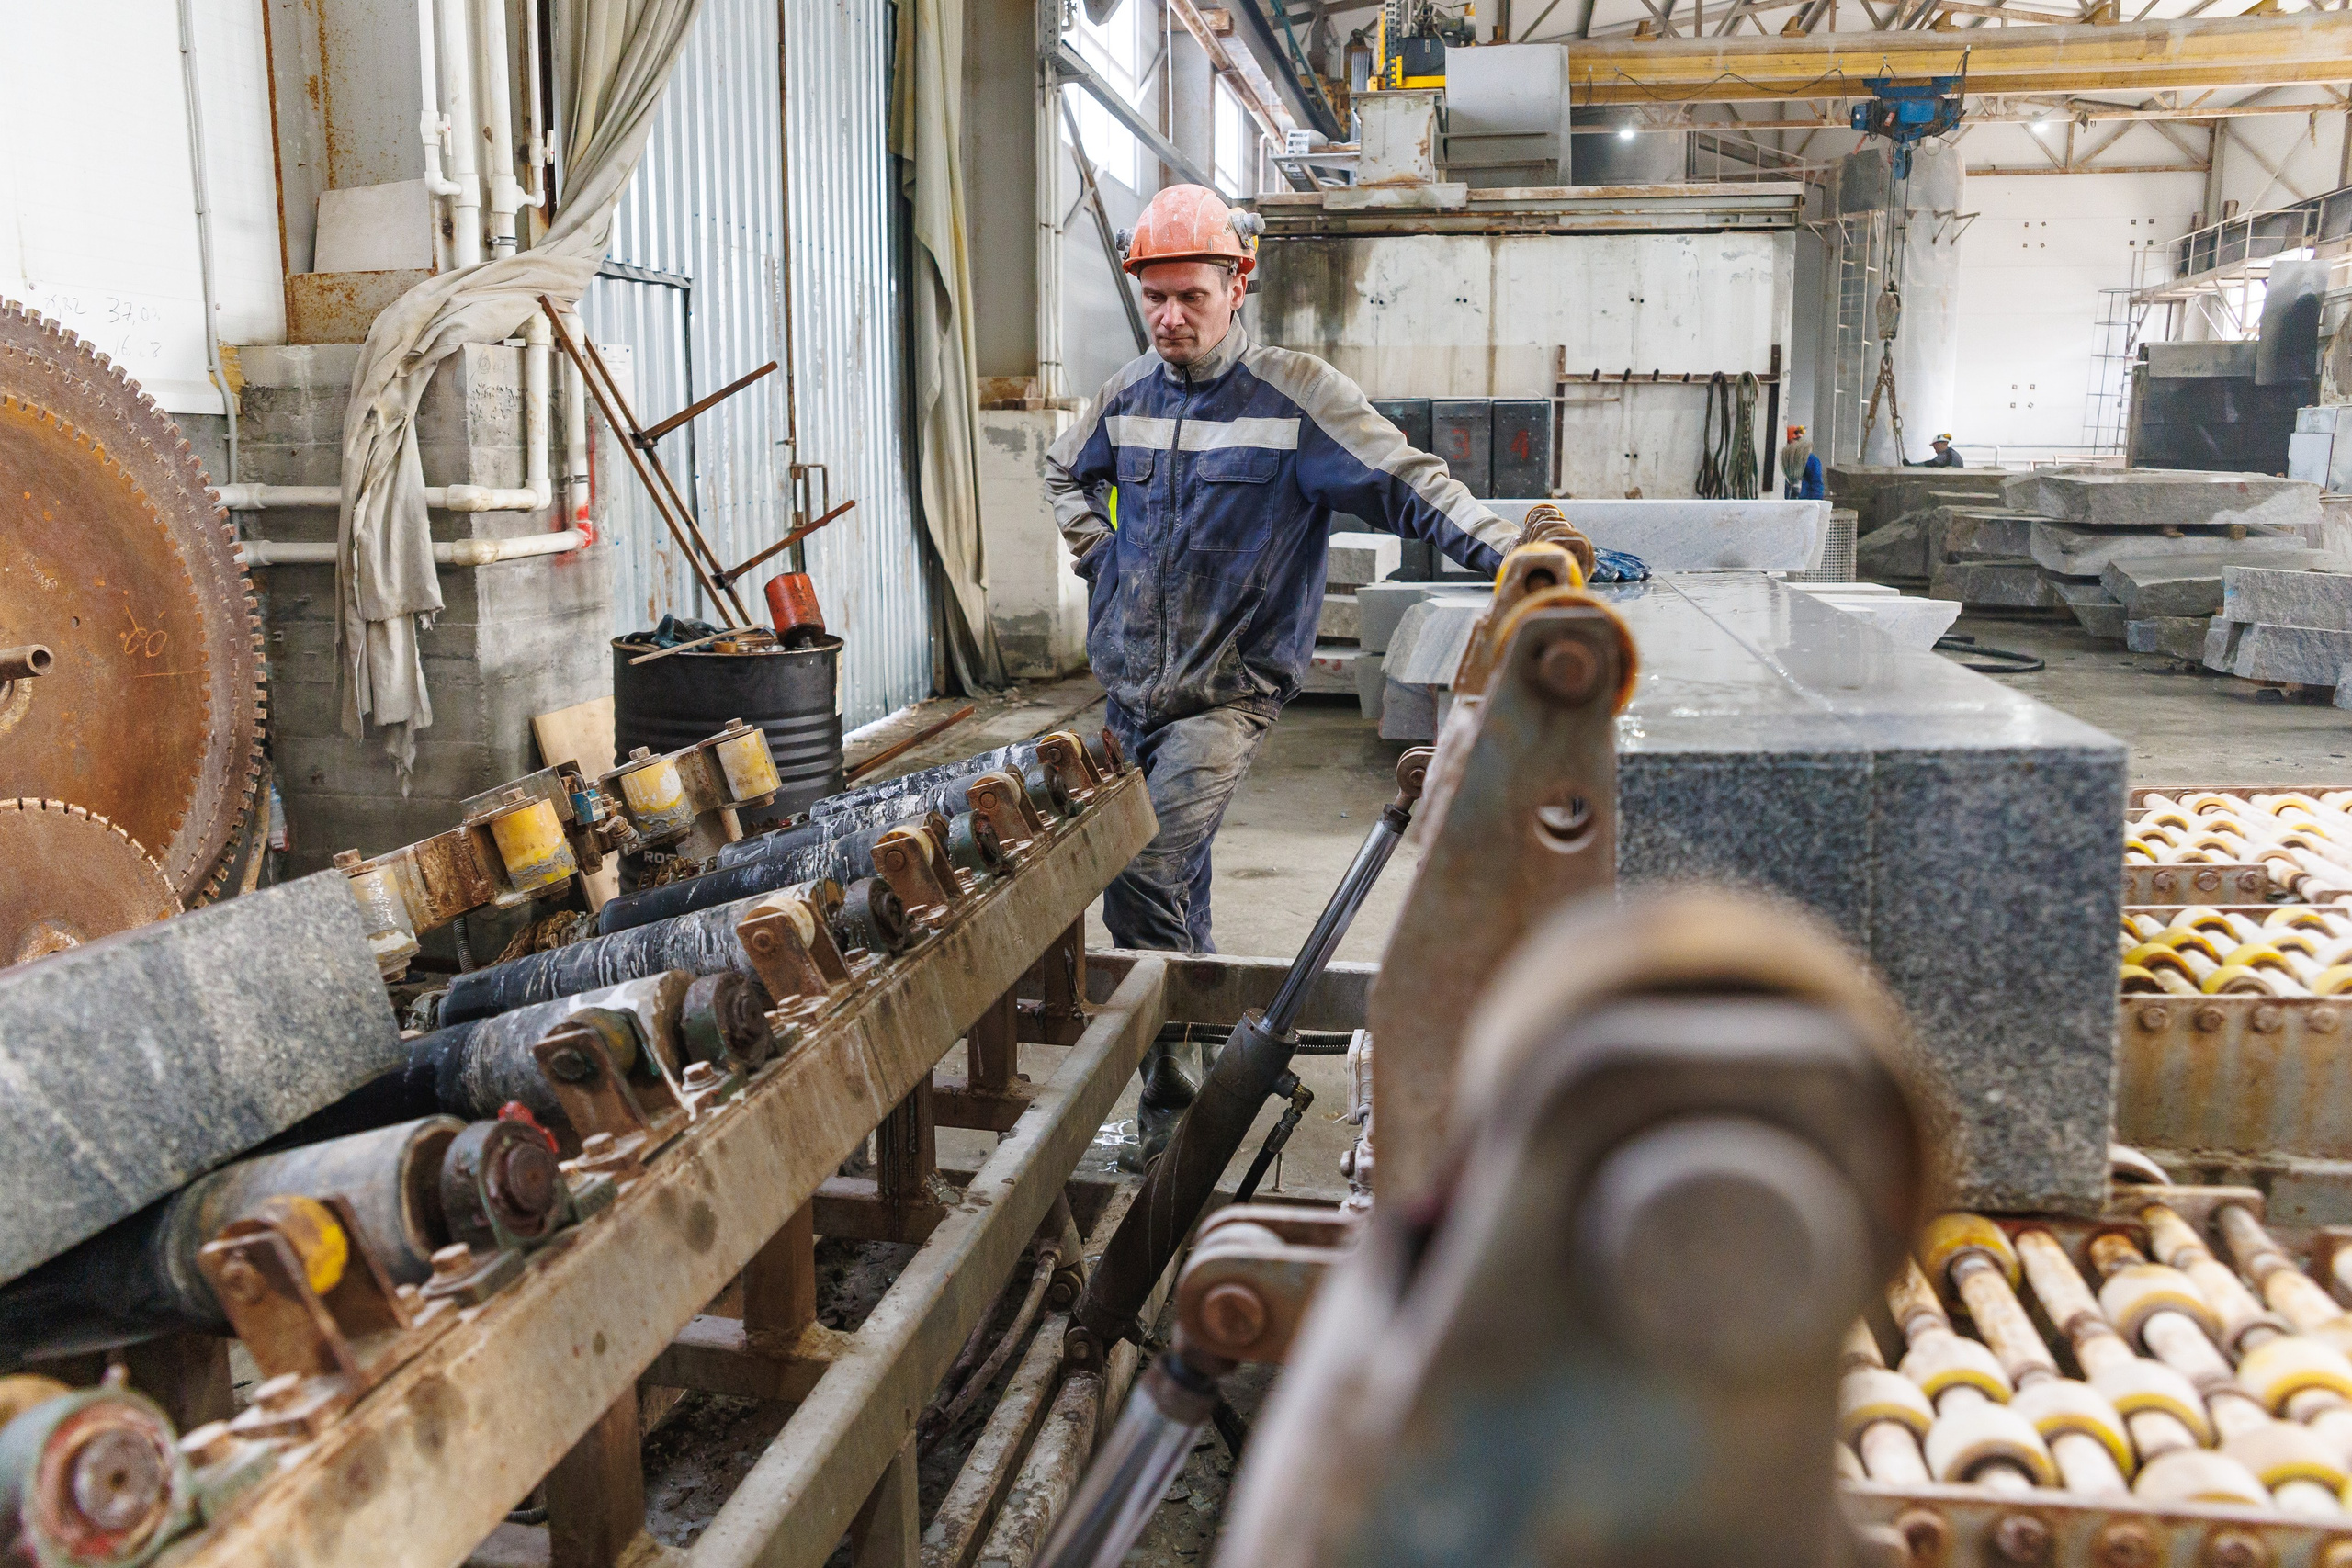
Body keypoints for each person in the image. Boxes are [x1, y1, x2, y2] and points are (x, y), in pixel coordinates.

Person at [1045, 184, 1528, 1162]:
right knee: (1179, 878)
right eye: (1155, 298)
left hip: (1226, 694)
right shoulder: (1126, 396)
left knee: (1141, 871)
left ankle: (1173, 1091)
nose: (1171, 318)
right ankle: (1202, 1027)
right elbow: (1062, 469)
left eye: (1190, 296)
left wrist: (1507, 551)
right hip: (1130, 686)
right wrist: (1098, 551)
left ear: (1238, 286)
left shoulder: (1295, 395)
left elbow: (1408, 481)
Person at [1780, 423, 1824, 499]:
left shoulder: (1810, 459)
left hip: (1805, 499)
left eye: (1799, 440)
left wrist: (1815, 502)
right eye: (1795, 440)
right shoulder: (1785, 458)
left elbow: (1817, 483)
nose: (1797, 443)